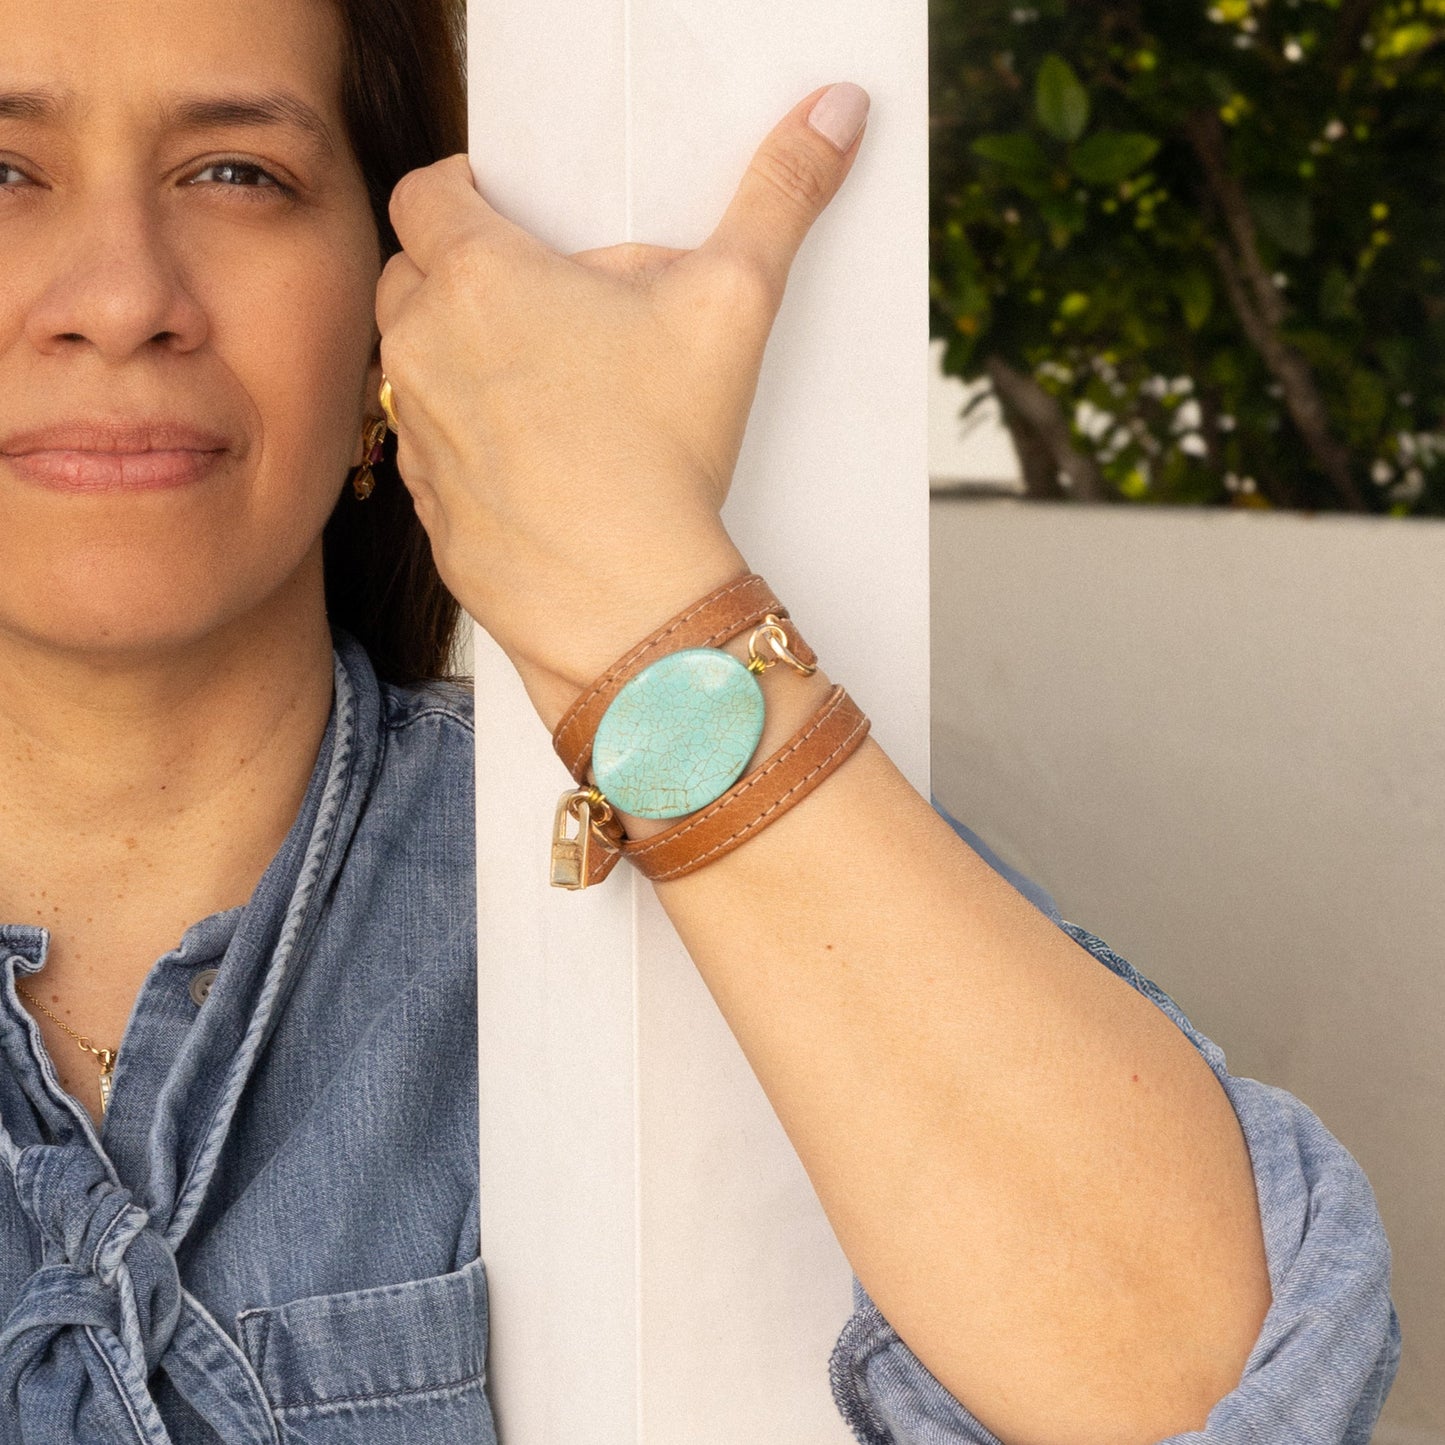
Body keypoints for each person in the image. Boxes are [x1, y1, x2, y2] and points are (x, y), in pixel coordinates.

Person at [0, 0, 1399, 1442]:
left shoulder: (685, 870)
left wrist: (621, 571)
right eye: (1, 173)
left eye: (237, 172)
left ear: (391, 312)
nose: (120, 296)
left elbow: (1219, 1389)